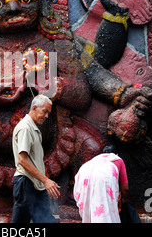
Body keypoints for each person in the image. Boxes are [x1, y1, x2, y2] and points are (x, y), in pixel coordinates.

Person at [11, 94, 61, 223]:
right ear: (34, 108)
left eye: (48, 113)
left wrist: (44, 181)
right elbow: (22, 160)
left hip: (36, 184)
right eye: (44, 111)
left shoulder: (33, 128)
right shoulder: (25, 128)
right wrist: (46, 180)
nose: (46, 116)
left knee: (46, 220)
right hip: (26, 183)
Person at [73, 145, 129, 223]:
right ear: (116, 154)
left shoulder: (95, 160)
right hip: (104, 176)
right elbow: (125, 187)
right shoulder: (117, 159)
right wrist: (122, 198)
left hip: (84, 174)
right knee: (105, 206)